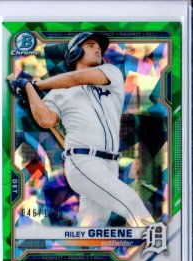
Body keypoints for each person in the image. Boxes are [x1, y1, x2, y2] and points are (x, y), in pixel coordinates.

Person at [24, 32, 155, 228]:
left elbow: (76, 78)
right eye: (91, 45)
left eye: (99, 47)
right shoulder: (57, 93)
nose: (98, 49)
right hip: (83, 161)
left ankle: (81, 247)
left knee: (91, 226)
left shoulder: (110, 73)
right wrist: (28, 88)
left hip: (110, 165)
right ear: (75, 53)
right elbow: (46, 120)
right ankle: (157, 246)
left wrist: (38, 84)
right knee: (131, 202)